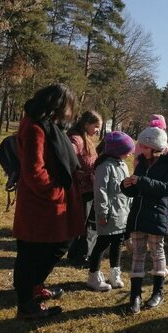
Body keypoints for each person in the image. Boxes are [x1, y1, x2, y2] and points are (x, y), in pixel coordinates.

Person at [12, 83, 84, 319]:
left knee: (59, 245)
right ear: (58, 105)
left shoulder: (48, 126)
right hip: (41, 203)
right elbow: (34, 171)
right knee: (31, 253)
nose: (69, 113)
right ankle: (26, 304)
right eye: (68, 107)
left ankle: (34, 287)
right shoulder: (35, 128)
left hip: (51, 202)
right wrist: (56, 194)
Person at [122, 126, 168, 313]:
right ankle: (135, 296)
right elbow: (136, 189)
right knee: (138, 254)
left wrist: (141, 181)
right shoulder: (142, 163)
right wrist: (126, 186)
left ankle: (158, 292)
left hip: (157, 215)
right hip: (138, 215)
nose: (142, 150)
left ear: (156, 147)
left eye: (145, 147)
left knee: (157, 253)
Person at [87, 131, 135, 292]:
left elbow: (125, 190)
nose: (129, 154)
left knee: (118, 243)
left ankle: (115, 273)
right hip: (109, 214)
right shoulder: (105, 167)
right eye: (127, 151)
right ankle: (93, 275)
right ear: (118, 151)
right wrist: (102, 213)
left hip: (122, 213)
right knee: (102, 244)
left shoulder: (122, 165)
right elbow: (100, 191)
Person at [66, 110, 102, 267]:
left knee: (86, 223)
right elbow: (68, 157)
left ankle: (78, 254)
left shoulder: (85, 138)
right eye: (96, 126)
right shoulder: (75, 139)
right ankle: (76, 254)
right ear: (86, 124)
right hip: (80, 190)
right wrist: (79, 173)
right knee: (80, 223)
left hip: (88, 188)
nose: (97, 130)